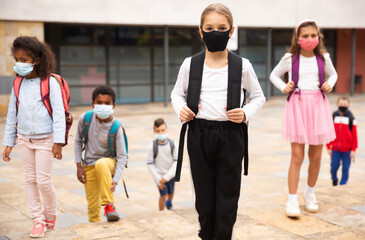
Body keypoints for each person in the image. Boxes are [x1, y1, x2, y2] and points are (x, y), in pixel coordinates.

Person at [171, 3, 265, 239]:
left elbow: (258, 97)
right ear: (201, 32)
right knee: (204, 197)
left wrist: (245, 114)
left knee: (227, 195)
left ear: (231, 30)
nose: (216, 33)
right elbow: (176, 94)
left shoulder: (242, 66)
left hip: (231, 136)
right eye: (209, 28)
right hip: (198, 134)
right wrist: (180, 109)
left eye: (222, 27)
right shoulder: (190, 64)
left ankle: (224, 235)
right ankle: (206, 233)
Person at [270, 19, 338, 217]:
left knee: (316, 156)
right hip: (298, 106)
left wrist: (330, 84)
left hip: (318, 106)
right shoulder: (290, 58)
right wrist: (284, 87)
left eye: (313, 35)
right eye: (305, 36)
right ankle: (292, 200)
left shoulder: (324, 58)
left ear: (319, 37)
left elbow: (333, 75)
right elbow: (274, 75)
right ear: (298, 38)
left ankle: (310, 193)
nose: (310, 39)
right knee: (297, 157)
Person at [2, 36, 66, 238]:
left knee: (44, 182)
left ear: (36, 60)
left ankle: (50, 216)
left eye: (24, 60)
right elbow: (12, 113)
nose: (19, 64)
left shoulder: (50, 83)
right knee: (30, 180)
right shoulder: (18, 83)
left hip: (46, 139)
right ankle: (37, 220)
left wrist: (58, 142)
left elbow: (59, 114)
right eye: (17, 59)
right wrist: (8, 143)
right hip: (24, 139)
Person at [74, 86, 127, 223]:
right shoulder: (85, 119)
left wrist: (115, 180)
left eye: (107, 103)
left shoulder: (116, 127)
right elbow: (78, 141)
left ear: (113, 106)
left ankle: (109, 205)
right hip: (88, 166)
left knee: (101, 163)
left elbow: (122, 157)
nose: (103, 106)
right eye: (99, 102)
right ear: (93, 104)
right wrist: (79, 167)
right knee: (92, 208)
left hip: (108, 164)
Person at [147, 118, 177, 211]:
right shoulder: (152, 146)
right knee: (163, 195)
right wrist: (158, 179)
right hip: (159, 177)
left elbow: (176, 162)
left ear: (166, 129)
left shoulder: (173, 145)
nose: (161, 133)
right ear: (154, 131)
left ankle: (169, 203)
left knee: (171, 193)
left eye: (163, 130)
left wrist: (167, 177)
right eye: (158, 131)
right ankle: (161, 213)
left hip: (171, 175)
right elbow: (150, 164)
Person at [327, 97, 358, 186]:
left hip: (347, 150)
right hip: (335, 149)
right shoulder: (333, 117)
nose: (342, 106)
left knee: (345, 168)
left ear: (348, 105)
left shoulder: (351, 118)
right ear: (337, 104)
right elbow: (329, 133)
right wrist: (328, 146)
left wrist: (353, 149)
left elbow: (354, 136)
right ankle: (334, 179)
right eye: (341, 104)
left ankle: (343, 184)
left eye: (345, 104)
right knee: (333, 167)